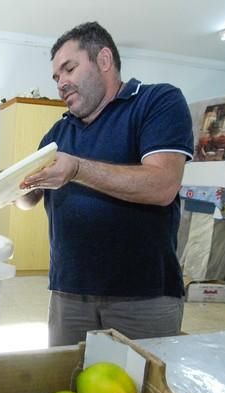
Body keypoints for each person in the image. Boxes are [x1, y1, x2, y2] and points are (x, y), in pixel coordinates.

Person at [17, 21, 194, 344]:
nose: (61, 83)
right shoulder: (58, 134)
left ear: (104, 60)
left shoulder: (156, 102)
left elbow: (163, 185)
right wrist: (18, 187)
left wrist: (76, 169)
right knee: (66, 388)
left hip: (143, 297)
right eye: (56, 77)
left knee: (139, 390)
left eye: (69, 69)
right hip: (68, 294)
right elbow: (25, 199)